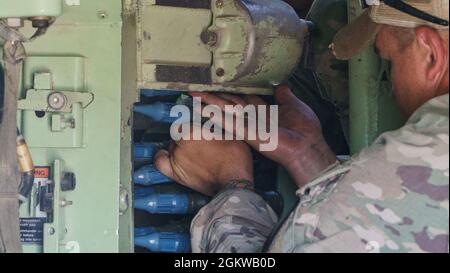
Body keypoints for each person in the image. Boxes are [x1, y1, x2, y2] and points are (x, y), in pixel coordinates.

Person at [154, 0, 449, 253]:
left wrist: (231, 185)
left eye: (390, 63)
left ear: (431, 53)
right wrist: (311, 158)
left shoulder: (420, 158)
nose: (394, 88)